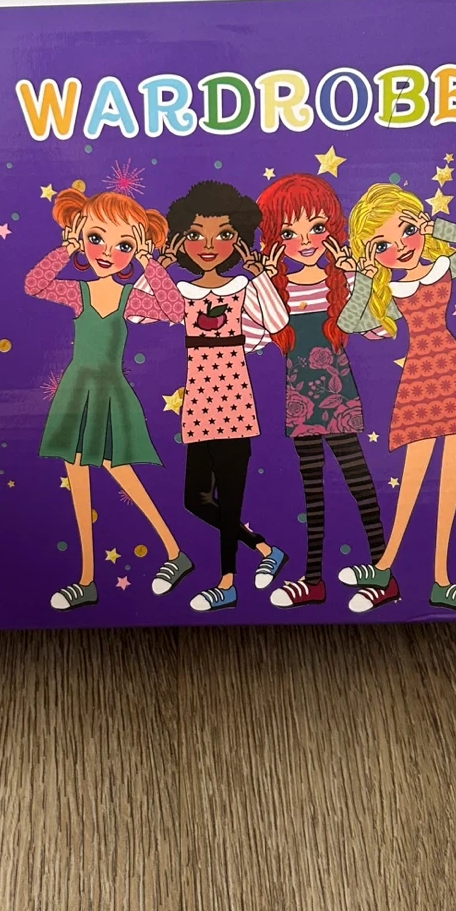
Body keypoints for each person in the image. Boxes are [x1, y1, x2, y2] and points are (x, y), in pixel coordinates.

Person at [334, 184, 456, 613]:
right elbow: (350, 322)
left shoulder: (442, 267)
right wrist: (366, 277)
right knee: (412, 479)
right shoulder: (392, 293)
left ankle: (441, 580)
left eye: (406, 230)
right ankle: (384, 565)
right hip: (420, 383)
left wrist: (438, 228)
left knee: (451, 483)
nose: (400, 247)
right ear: (372, 253)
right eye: (382, 245)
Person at [24, 186, 192, 610]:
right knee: (78, 481)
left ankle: (174, 551)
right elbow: (33, 285)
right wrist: (66, 249)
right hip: (75, 392)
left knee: (122, 473)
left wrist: (149, 262)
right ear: (81, 235)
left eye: (124, 245)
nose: (108, 252)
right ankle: (87, 579)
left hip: (109, 392)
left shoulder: (128, 296)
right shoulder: (77, 292)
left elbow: (175, 311)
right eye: (96, 238)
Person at [253, 173, 385, 607]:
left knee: (357, 477)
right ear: (275, 240)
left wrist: (354, 274)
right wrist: (264, 277)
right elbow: (260, 332)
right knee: (312, 487)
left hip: (337, 392)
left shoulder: (341, 283)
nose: (305, 241)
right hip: (300, 397)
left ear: (332, 228)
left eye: (316, 227)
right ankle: (313, 578)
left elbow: (370, 326)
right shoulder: (276, 289)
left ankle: (382, 568)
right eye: (289, 233)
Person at [162, 180, 289, 612]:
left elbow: (277, 321)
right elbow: (139, 312)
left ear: (238, 239)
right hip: (198, 402)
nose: (209, 246)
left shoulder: (242, 288)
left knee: (231, 496)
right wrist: (158, 267)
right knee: (194, 499)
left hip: (234, 400)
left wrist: (259, 275)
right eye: (196, 235)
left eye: (224, 234)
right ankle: (265, 549)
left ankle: (227, 582)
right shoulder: (181, 292)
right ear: (182, 239)